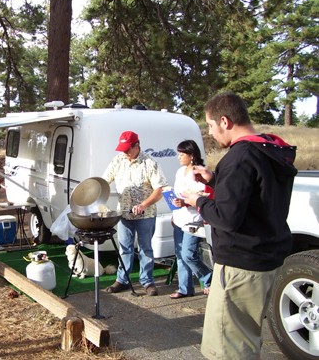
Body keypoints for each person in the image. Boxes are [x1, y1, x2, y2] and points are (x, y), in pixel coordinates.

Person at [183, 92, 297, 359]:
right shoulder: (268, 149)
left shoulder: (239, 157)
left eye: (210, 125)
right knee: (247, 337)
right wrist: (215, 180)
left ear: (225, 121)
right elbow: (256, 196)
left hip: (240, 265)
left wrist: (198, 200)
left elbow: (226, 217)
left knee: (229, 348)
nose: (210, 132)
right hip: (265, 260)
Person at [103, 131, 167, 296]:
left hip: (145, 215)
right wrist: (94, 192)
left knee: (145, 248)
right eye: (122, 148)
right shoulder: (118, 160)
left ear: (136, 145)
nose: (124, 152)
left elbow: (159, 190)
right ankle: (122, 280)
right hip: (124, 214)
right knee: (125, 248)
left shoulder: (150, 163)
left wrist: (143, 204)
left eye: (127, 148)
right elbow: (105, 180)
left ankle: (147, 282)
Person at [169, 140, 212, 299]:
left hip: (193, 219)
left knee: (188, 253)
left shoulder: (199, 172)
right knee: (180, 254)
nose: (179, 157)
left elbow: (203, 196)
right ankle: (184, 288)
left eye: (182, 154)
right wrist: (174, 212)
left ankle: (208, 279)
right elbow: (177, 194)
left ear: (191, 155)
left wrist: (185, 202)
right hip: (179, 218)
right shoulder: (180, 172)